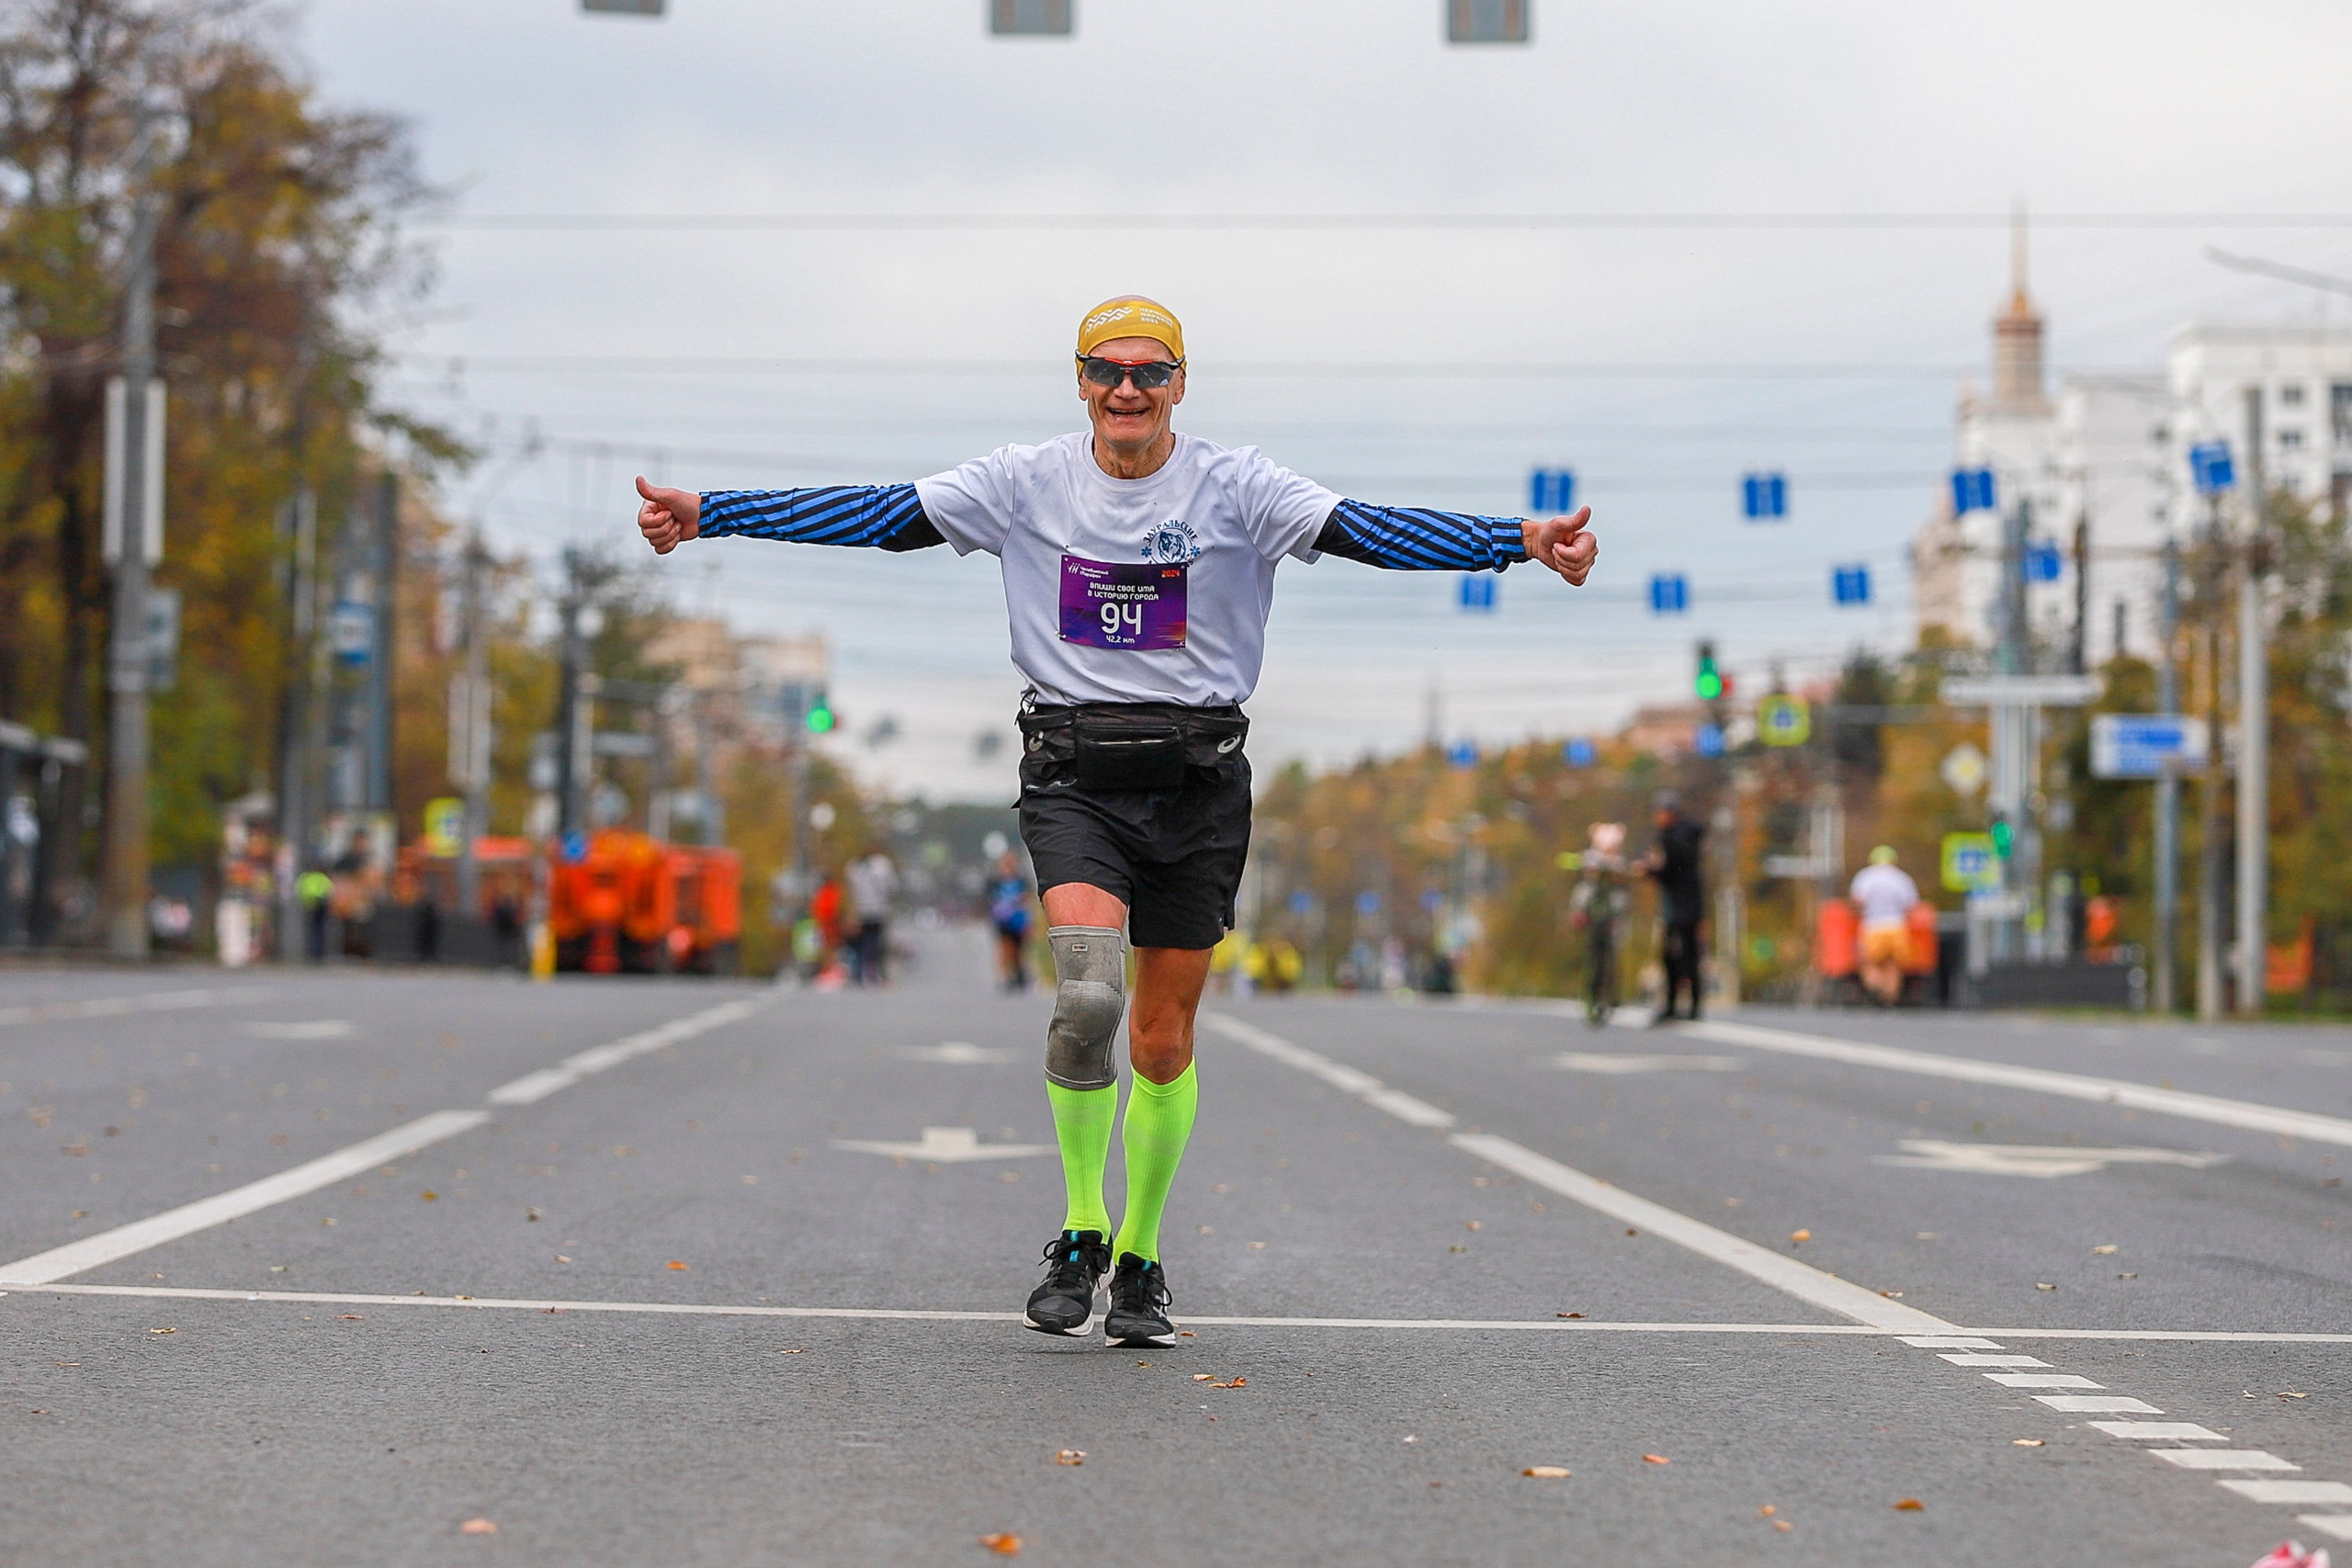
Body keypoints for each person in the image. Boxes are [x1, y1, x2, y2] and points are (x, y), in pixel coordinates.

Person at [632, 294, 1597, 1347]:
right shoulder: (1023, 482)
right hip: (1073, 772)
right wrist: (711, 510)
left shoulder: (1240, 487)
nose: (1126, 391)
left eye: (1148, 373)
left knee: (1161, 1039)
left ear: (1180, 384)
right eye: (1107, 371)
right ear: (1080, 382)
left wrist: (1519, 540)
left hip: (1198, 781)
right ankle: (1079, 1230)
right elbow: (878, 513)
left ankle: (1139, 1257)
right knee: (1087, 993)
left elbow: (1370, 531)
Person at [1645, 793, 1706, 1023]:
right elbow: (1666, 870)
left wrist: (1654, 867)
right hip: (1674, 904)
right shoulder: (1668, 835)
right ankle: (1673, 1004)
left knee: (1687, 955)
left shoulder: (1680, 834)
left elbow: (1677, 861)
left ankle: (1693, 1005)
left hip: (1686, 904)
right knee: (1671, 956)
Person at [1569, 822, 1631, 1026]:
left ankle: (1612, 989)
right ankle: (1592, 989)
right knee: (1594, 952)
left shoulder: (1619, 864)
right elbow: (1584, 888)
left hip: (1612, 914)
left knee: (1612, 950)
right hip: (1594, 913)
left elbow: (1622, 893)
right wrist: (1580, 912)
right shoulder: (1591, 861)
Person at [1849, 844, 1920, 1006]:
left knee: (1869, 962)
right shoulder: (1902, 878)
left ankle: (1875, 989)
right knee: (1893, 965)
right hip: (1897, 927)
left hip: (1873, 926)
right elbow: (1911, 905)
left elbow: (1857, 901)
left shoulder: (1865, 877)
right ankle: (1889, 997)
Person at [845, 850, 899, 986]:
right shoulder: (882, 866)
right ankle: (878, 973)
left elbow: (851, 890)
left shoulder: (854, 868)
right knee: (878, 942)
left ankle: (862, 973)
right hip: (880, 910)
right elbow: (892, 887)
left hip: (862, 910)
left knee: (864, 942)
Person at [987, 852, 1035, 993]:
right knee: (1005, 949)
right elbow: (991, 902)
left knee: (1019, 951)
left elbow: (1027, 901)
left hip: (1018, 920)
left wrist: (1029, 922)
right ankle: (1007, 977)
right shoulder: (995, 883)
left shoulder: (1021, 882)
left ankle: (1020, 974)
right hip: (1002, 920)